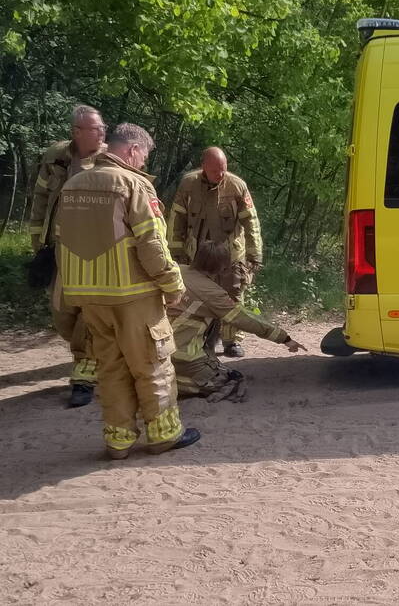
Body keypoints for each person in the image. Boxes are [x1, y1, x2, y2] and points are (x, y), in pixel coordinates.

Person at [56, 122, 199, 459]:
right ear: (133, 150)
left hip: (89, 297)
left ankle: (118, 441)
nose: (144, 163)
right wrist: (172, 284)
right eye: (144, 156)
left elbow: (62, 240)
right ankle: (164, 435)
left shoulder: (73, 184)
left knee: (110, 367)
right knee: (153, 363)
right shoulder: (132, 184)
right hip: (133, 295)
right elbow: (152, 244)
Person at [27, 105, 107, 408]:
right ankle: (91, 355)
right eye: (96, 128)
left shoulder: (108, 159)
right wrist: (38, 242)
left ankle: (84, 375)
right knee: (62, 313)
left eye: (102, 127)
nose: (102, 132)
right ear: (77, 131)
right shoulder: (56, 156)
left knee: (89, 311)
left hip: (95, 252)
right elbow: (41, 197)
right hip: (58, 248)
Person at [168, 241, 306, 402]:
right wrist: (284, 338)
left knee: (221, 369)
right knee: (227, 380)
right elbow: (245, 320)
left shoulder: (175, 271)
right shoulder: (212, 294)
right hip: (182, 354)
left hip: (155, 348)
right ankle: (174, 383)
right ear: (222, 268)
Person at [168, 146, 263, 358]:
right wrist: (176, 252)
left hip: (230, 255)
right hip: (199, 255)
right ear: (204, 167)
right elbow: (177, 220)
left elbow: (251, 222)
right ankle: (200, 339)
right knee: (197, 297)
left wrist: (254, 254)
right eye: (215, 171)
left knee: (233, 296)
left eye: (223, 169)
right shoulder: (189, 184)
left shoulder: (237, 186)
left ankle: (232, 341)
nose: (220, 175)